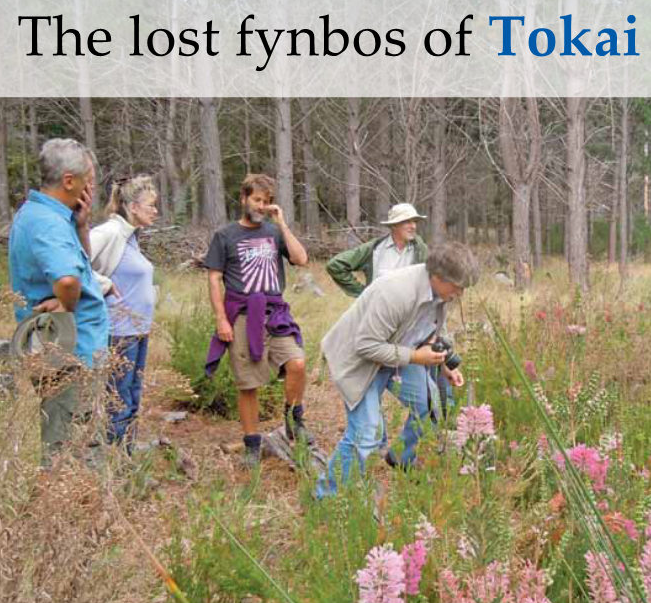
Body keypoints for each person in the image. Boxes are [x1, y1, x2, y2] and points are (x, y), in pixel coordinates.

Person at [315, 242, 478, 498]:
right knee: (366, 433)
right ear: (436, 276)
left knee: (430, 404)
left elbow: (428, 331)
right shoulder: (397, 292)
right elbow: (365, 345)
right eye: (457, 286)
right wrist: (415, 356)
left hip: (399, 354)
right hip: (361, 361)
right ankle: (326, 496)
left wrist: (443, 365)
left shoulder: (441, 295)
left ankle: (401, 456)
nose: (460, 293)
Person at [8, 138, 109, 463]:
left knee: (75, 439)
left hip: (71, 352)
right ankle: (70, 511)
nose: (91, 186)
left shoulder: (50, 217)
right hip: (70, 355)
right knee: (72, 448)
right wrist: (67, 305)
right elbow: (67, 279)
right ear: (69, 181)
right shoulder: (46, 223)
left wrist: (81, 227)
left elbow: (81, 270)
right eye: (88, 180)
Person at [203, 173, 313, 466]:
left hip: (274, 312)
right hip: (240, 314)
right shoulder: (225, 236)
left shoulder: (274, 232)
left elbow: (301, 259)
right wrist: (221, 319)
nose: (261, 206)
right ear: (243, 199)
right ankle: (252, 443)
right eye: (256, 200)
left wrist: (282, 223)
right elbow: (214, 278)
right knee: (247, 383)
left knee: (297, 362)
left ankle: (293, 419)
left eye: (266, 201)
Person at [89, 175, 159, 449]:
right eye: (150, 205)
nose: (155, 211)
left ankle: (125, 457)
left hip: (138, 331)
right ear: (132, 206)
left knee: (132, 395)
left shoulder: (130, 237)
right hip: (118, 333)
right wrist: (104, 284)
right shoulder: (109, 233)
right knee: (118, 399)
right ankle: (115, 463)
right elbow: (75, 264)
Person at [326, 203, 428, 298]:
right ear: (394, 225)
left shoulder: (421, 250)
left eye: (415, 221)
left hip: (409, 314)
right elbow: (335, 265)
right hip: (379, 314)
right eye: (407, 221)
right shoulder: (374, 249)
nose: (413, 226)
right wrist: (363, 295)